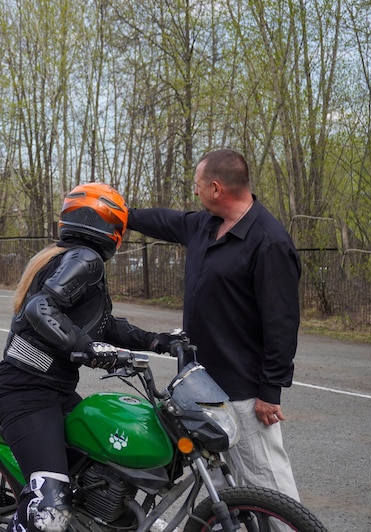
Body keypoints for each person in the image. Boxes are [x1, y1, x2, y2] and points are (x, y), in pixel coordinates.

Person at [0, 182, 179, 532]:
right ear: (114, 228)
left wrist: (158, 341)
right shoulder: (85, 259)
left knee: (94, 476)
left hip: (52, 392)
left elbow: (104, 325)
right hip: (27, 396)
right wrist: (85, 347)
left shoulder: (66, 257)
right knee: (50, 511)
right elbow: (40, 308)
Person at [127, 148, 301, 501]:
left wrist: (270, 392)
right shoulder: (206, 225)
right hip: (200, 385)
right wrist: (119, 213)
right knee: (219, 487)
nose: (195, 191)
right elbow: (165, 221)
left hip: (243, 391)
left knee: (268, 485)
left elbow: (282, 322)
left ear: (217, 188)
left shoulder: (268, 242)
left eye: (198, 184)